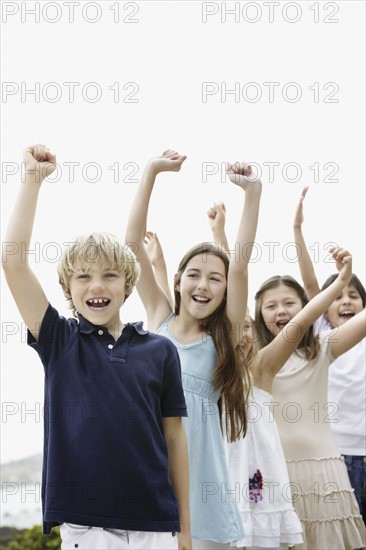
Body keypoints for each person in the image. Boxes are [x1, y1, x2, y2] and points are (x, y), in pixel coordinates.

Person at [2, 144, 192, 550]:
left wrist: (185, 530)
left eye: (109, 274)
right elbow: (12, 262)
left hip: (156, 525)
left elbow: (174, 439)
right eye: (83, 277)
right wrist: (33, 180)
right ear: (68, 290)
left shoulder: (160, 351)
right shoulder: (59, 340)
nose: (97, 285)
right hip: (85, 528)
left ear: (127, 285)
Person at [125, 150, 262, 548]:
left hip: (202, 484)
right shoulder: (159, 321)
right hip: (149, 464)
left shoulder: (223, 337)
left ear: (224, 291)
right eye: (195, 275)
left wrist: (252, 195)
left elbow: (240, 265)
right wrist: (151, 171)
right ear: (180, 281)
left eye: (214, 279)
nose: (204, 285)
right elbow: (130, 245)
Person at [254, 257, 366, 547]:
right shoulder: (256, 359)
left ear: (305, 308)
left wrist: (342, 280)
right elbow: (236, 282)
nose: (281, 311)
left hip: (324, 474)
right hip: (274, 473)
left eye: (289, 303)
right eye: (271, 305)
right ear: (258, 314)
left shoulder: (322, 348)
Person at [293, 186, 366, 525]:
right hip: (336, 454)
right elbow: (311, 285)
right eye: (339, 296)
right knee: (346, 531)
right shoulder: (323, 336)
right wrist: (297, 230)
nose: (346, 301)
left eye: (354, 295)